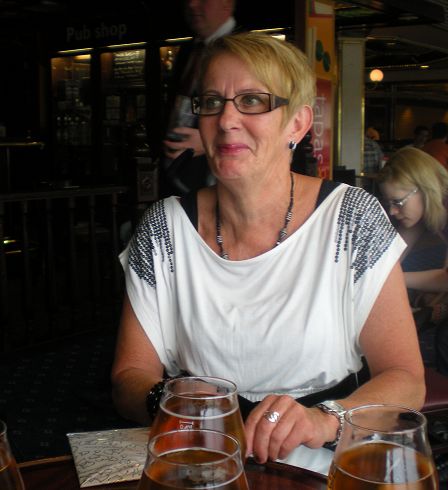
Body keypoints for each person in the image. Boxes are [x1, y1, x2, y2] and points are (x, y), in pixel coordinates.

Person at [111, 32, 425, 476]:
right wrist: (168, 398)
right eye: (212, 102)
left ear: (297, 124)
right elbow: (128, 378)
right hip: (200, 462)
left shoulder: (352, 218)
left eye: (253, 101)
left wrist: (323, 421)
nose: (226, 120)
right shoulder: (163, 228)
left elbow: (406, 378)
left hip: (323, 467)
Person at [376, 146, 448, 374]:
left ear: (423, 189)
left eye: (398, 202)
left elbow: (446, 279)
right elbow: (391, 259)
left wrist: (392, 280)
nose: (392, 211)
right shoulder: (424, 208)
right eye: (389, 203)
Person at [161, 0, 237, 196]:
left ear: (226, 4)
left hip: (219, 182)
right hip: (176, 174)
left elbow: (258, 119)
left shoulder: (242, 50)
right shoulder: (190, 49)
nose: (192, 5)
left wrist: (210, 140)